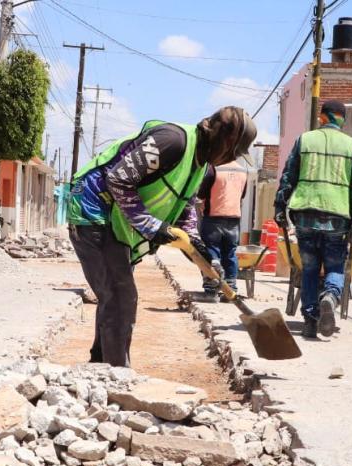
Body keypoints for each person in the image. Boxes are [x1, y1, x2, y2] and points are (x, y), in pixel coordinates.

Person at [65, 106, 258, 367]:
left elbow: (184, 208)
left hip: (116, 220)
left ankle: (102, 367)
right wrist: (151, 225)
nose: (230, 159)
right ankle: (116, 374)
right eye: (233, 151)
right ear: (223, 140)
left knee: (116, 292)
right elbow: (118, 179)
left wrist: (198, 249)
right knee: (120, 295)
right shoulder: (172, 141)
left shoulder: (201, 164)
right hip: (94, 210)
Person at [274, 100, 352, 339]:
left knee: (309, 269)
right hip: (337, 217)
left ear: (322, 117)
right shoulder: (351, 145)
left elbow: (288, 176)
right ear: (342, 119)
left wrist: (280, 207)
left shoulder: (304, 140)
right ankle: (330, 296)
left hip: (305, 215)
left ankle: (310, 320)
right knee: (335, 266)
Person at [198, 163, 249, 300]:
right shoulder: (243, 170)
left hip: (213, 218)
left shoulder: (214, 169)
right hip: (234, 219)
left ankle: (211, 289)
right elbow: (242, 194)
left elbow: (201, 193)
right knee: (230, 253)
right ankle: (230, 290)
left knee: (211, 252)